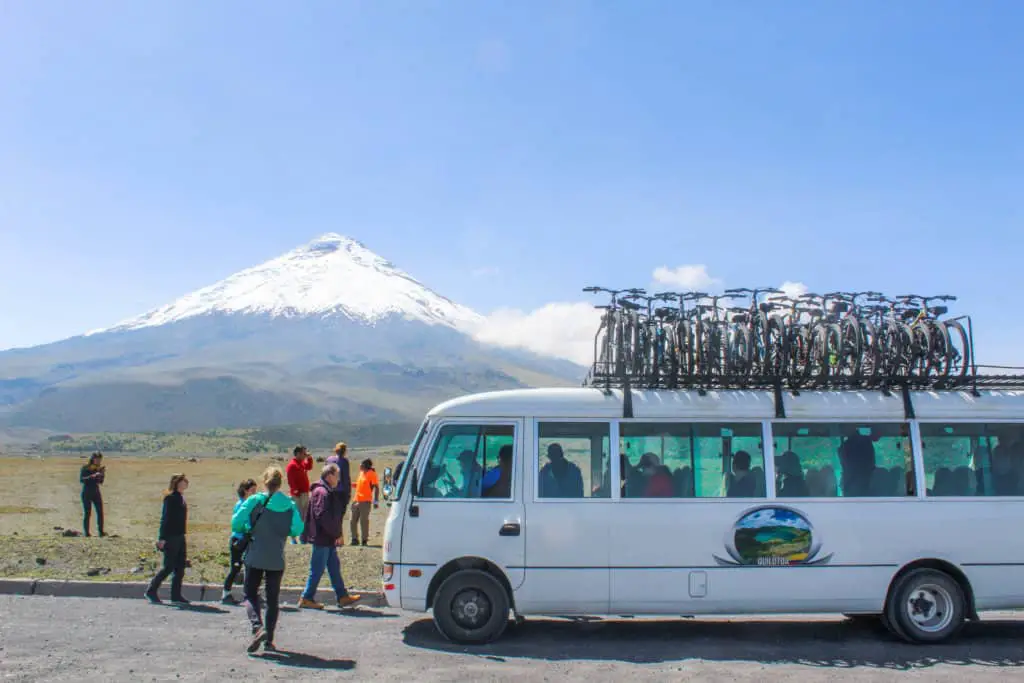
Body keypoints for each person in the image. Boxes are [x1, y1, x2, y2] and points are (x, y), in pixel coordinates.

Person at [232, 466, 304, 654]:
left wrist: (248, 529)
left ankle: (257, 627)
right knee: (273, 600)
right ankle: (269, 641)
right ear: (281, 483)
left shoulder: (255, 500)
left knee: (249, 593)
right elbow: (297, 529)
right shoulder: (289, 504)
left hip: (255, 553)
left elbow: (236, 522)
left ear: (264, 481)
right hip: (276, 556)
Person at [298, 463, 361, 610]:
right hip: (322, 538)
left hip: (327, 538)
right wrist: (336, 533)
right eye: (337, 476)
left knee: (334, 567)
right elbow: (323, 516)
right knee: (317, 569)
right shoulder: (322, 492)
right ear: (329, 475)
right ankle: (307, 597)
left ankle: (342, 596)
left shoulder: (324, 491)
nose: (338, 479)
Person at [145, 473, 190, 605]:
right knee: (168, 566)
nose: (185, 483)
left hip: (181, 535)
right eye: (182, 481)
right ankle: (151, 590)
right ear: (176, 483)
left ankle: (176, 595)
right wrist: (162, 538)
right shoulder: (170, 498)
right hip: (170, 536)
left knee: (180, 567)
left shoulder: (181, 497)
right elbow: (165, 518)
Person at [222, 478, 257, 605]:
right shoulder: (241, 505)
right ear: (245, 491)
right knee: (235, 568)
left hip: (247, 539)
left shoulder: (250, 504)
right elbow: (240, 522)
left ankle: (250, 593)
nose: (254, 493)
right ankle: (226, 593)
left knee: (251, 567)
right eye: (252, 490)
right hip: (238, 540)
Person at [285, 445, 313, 544]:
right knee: (296, 516)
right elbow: (291, 479)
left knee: (304, 515)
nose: (305, 455)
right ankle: (293, 538)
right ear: (298, 454)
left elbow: (309, 467)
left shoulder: (301, 464)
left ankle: (303, 537)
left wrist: (309, 458)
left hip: (304, 493)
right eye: (303, 453)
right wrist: (296, 491)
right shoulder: (292, 465)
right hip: (298, 495)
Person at [325, 442, 352, 543]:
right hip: (340, 492)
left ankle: (331, 537)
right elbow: (346, 478)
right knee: (339, 516)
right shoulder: (344, 462)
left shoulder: (329, 460)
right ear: (344, 451)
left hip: (329, 491)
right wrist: (348, 493)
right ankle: (338, 539)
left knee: (331, 515)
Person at [350, 458, 379, 546]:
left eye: (361, 464)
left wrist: (376, 501)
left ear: (365, 466)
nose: (360, 466)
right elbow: (359, 485)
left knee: (364, 521)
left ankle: (364, 540)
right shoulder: (361, 473)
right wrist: (350, 484)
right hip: (356, 500)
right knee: (352, 521)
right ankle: (354, 539)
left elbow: (376, 488)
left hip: (365, 501)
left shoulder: (372, 474)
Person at [80, 452, 106, 537]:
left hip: (96, 491)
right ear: (93, 459)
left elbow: (100, 482)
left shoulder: (98, 468)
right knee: (87, 513)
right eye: (97, 459)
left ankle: (101, 531)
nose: (98, 461)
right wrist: (93, 476)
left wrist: (102, 475)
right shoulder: (86, 468)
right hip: (87, 492)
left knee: (100, 512)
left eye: (100, 459)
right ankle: (86, 533)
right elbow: (82, 480)